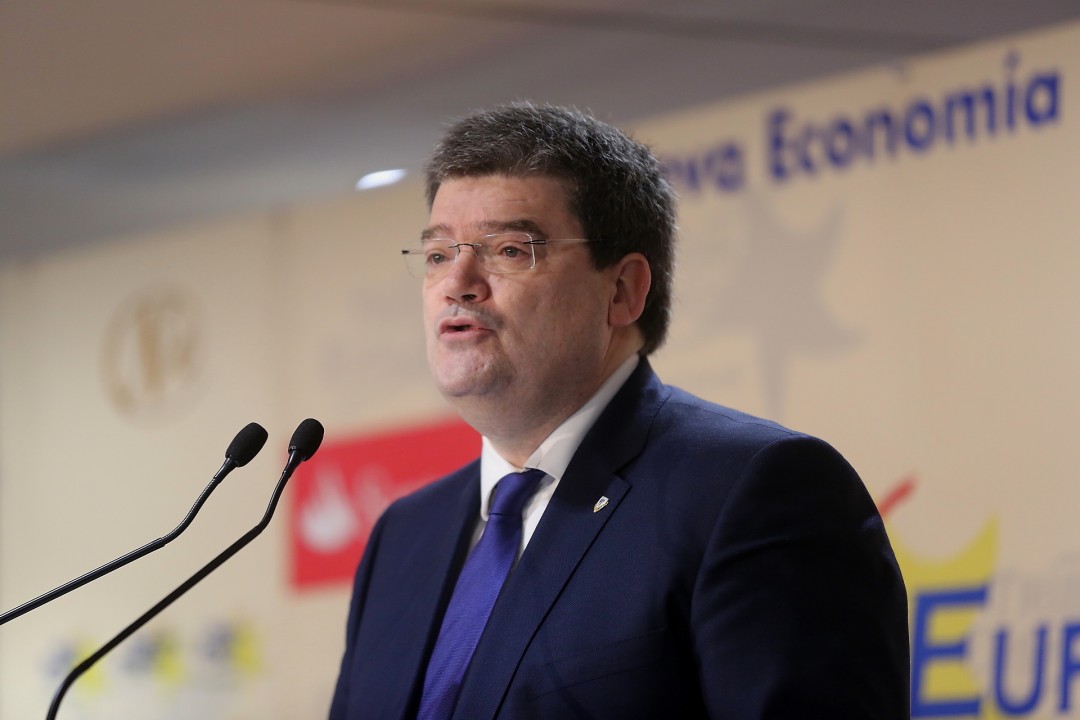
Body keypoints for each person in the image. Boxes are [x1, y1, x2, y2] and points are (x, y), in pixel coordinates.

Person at [329, 102, 909, 719]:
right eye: (439, 255)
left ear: (623, 290)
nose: (458, 282)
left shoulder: (753, 492)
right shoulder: (405, 534)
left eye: (510, 250)